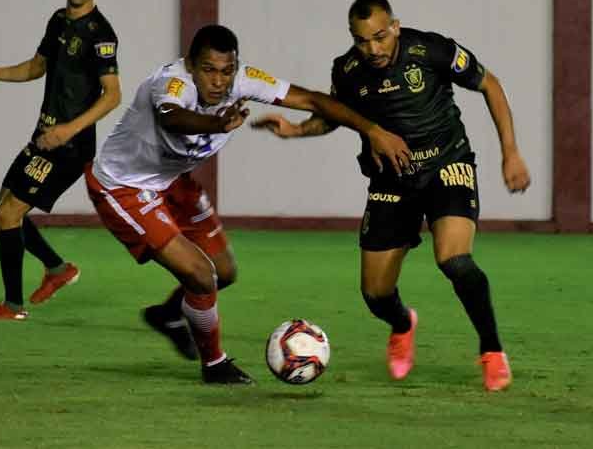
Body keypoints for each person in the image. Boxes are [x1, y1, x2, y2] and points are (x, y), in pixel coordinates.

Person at [84, 24, 411, 384]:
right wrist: (215, 123)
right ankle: (215, 365)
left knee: (223, 272)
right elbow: (171, 118)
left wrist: (373, 131)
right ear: (191, 65)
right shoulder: (171, 83)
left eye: (227, 71)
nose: (218, 82)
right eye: (208, 70)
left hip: (172, 181)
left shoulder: (243, 80)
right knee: (200, 275)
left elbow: (313, 101)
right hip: (123, 186)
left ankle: (168, 314)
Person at [252, 0, 531, 391]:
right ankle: (402, 324)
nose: (372, 49)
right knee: (376, 294)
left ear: (395, 27)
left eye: (380, 37)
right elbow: (333, 118)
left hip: (447, 164)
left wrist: (511, 152)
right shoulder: (348, 70)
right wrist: (296, 130)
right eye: (361, 40)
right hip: (391, 180)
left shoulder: (432, 50)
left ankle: (492, 351)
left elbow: (490, 84)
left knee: (454, 260)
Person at [0, 0, 122, 320]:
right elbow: (37, 67)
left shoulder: (100, 33)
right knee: (1, 212)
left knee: (9, 214)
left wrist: (68, 130)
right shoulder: (58, 20)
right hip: (44, 136)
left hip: (70, 145)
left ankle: (12, 306)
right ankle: (57, 269)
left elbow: (113, 95)